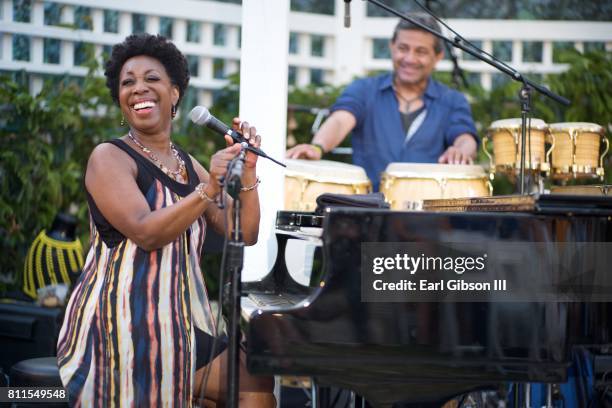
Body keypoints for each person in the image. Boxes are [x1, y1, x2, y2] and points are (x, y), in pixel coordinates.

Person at [56, 34, 274, 407]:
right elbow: (146, 231)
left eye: (152, 79)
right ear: (121, 99)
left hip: (177, 320)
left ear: (175, 94)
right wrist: (209, 188)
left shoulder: (186, 164)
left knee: (255, 376)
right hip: (122, 322)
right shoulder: (109, 157)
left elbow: (244, 232)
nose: (139, 88)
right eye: (128, 82)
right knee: (243, 386)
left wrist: (248, 172)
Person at [286, 14, 478, 191]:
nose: (410, 59)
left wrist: (460, 152)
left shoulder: (452, 101)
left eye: (421, 52)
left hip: (430, 217)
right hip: (368, 212)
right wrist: (318, 146)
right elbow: (340, 120)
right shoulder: (364, 90)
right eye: (403, 48)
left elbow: (465, 138)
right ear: (392, 47)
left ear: (438, 57)